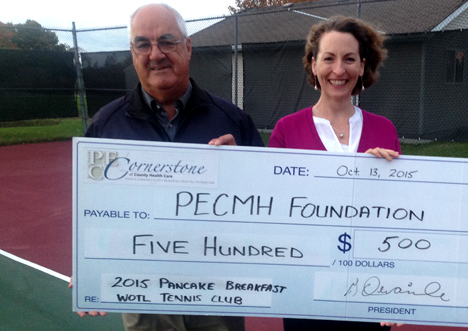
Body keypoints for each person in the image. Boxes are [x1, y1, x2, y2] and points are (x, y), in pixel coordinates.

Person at [70, 3, 262, 331]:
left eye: (167, 41)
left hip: (216, 294)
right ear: (133, 53)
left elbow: (268, 203)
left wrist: (241, 171)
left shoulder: (232, 120)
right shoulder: (106, 126)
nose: (155, 53)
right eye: (143, 43)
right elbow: (94, 208)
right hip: (144, 299)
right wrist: (89, 262)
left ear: (187, 48)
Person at [269, 16, 402, 331]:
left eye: (349, 59)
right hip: (306, 290)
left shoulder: (385, 130)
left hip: (367, 288)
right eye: (329, 58)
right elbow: (274, 213)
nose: (339, 70)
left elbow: (398, 219)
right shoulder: (286, 131)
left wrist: (396, 292)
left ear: (362, 66)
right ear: (313, 65)